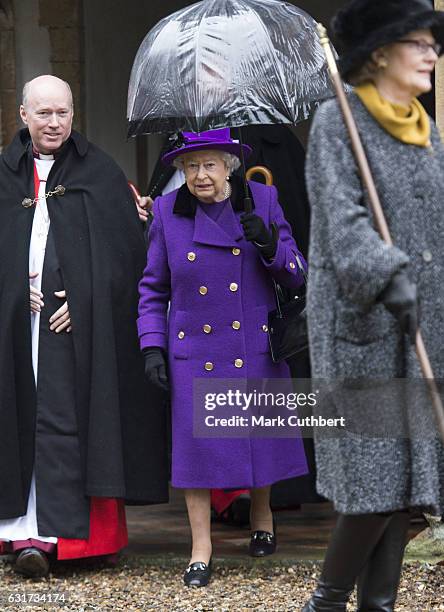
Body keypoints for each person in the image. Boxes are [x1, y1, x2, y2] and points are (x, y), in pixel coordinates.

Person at [303, 1, 444, 610]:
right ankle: (328, 601)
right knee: (374, 485)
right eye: (419, 42)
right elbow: (342, 222)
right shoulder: (339, 123)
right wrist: (387, 274)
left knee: (406, 484)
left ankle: (377, 606)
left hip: (419, 324)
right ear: (380, 53)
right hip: (361, 328)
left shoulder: (425, 129)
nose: (432, 53)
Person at [0, 75, 169, 578]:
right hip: (16, 333)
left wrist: (89, 299)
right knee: (20, 416)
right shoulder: (4, 175)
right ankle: (23, 536)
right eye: (44, 113)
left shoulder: (100, 172)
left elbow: (127, 257)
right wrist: (9, 290)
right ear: (23, 115)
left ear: (74, 114)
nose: (55, 123)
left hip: (78, 335)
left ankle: (71, 540)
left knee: (69, 419)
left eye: (63, 113)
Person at [137, 128, 308, 587]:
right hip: (195, 351)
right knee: (197, 453)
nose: (199, 175)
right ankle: (200, 548)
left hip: (252, 344)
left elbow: (298, 273)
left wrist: (269, 245)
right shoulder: (168, 213)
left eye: (209, 164)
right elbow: (153, 288)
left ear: (228, 166)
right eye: (190, 166)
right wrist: (152, 346)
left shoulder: (263, 200)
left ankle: (262, 514)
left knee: (259, 438)